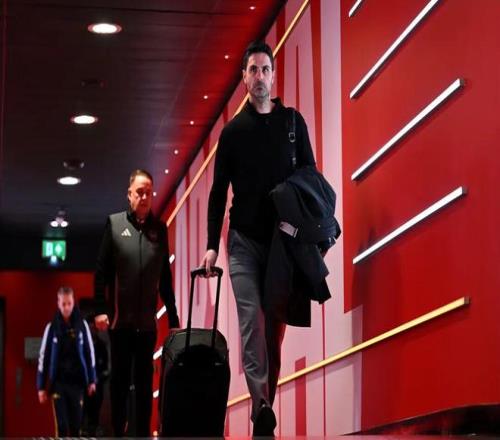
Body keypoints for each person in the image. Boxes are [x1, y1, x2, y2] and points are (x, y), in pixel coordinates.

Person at [201, 41, 316, 436]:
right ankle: (261, 402)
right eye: (253, 69)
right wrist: (211, 245)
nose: (260, 76)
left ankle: (263, 412)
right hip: (243, 244)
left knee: (273, 333)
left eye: (266, 69)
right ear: (244, 78)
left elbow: (311, 176)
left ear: (273, 75)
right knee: (252, 321)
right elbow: (218, 192)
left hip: (283, 245)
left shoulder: (292, 124)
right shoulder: (233, 133)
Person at [94, 169, 180, 437]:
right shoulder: (115, 224)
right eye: (139, 192)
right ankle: (118, 431)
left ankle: (142, 433)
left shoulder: (159, 230)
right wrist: (100, 310)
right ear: (129, 194)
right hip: (120, 323)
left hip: (146, 325)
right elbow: (101, 272)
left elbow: (165, 278)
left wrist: (174, 319)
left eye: (148, 193)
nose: (144, 197)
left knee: (144, 384)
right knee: (119, 381)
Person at [37, 286, 97, 437]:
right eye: (63, 304)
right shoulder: (51, 328)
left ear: (73, 302)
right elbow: (44, 357)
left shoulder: (82, 325)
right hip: (58, 383)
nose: (66, 307)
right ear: (58, 303)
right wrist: (41, 387)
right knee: (62, 425)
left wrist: (92, 380)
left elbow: (89, 353)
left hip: (77, 383)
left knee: (76, 426)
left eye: (69, 303)